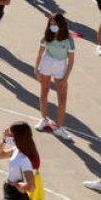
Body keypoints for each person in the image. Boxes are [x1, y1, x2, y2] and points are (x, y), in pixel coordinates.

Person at [34, 12, 75, 141]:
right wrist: (36, 69)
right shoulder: (47, 36)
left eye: (55, 24)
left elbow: (71, 60)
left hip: (60, 66)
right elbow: (40, 53)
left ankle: (59, 127)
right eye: (51, 24)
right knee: (44, 92)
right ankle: (43, 119)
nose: (52, 26)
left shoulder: (69, 39)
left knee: (62, 98)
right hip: (47, 62)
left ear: (61, 24)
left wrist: (65, 78)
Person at [0, 122, 39, 200]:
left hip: (15, 195)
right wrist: (4, 141)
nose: (8, 136)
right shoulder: (17, 149)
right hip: (10, 191)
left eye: (10, 135)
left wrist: (16, 184)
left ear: (17, 137)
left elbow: (31, 187)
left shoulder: (24, 159)